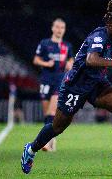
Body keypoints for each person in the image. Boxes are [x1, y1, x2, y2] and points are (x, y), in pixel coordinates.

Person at [21, 0, 112, 174]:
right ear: (111, 25)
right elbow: (91, 60)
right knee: (57, 127)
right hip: (75, 85)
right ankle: (30, 150)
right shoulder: (99, 36)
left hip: (96, 83)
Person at [33, 18, 74, 151]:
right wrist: (46, 63)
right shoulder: (45, 43)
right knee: (47, 113)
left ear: (64, 30)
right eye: (57, 27)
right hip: (46, 80)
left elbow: (71, 60)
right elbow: (36, 60)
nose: (59, 30)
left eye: (62, 27)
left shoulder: (67, 46)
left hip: (60, 81)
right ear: (52, 28)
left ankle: (45, 142)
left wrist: (70, 64)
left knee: (52, 111)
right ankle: (52, 139)